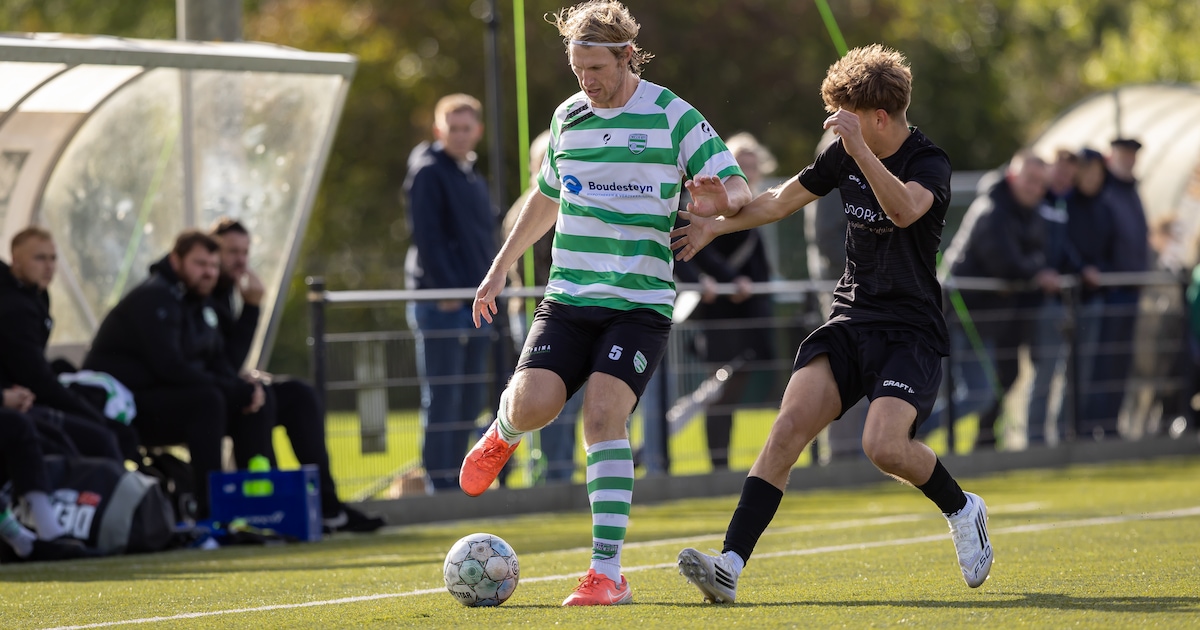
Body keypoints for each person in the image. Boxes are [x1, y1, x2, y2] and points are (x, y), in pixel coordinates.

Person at [671, 44, 992, 604]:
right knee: (787, 428)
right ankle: (729, 565)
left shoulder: (927, 162)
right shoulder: (844, 155)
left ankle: (962, 507)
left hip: (909, 329)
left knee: (885, 447)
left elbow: (903, 210)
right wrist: (713, 227)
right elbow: (776, 202)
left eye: (850, 118)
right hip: (850, 317)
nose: (838, 129)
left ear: (880, 118)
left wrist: (859, 151)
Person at [460, 0, 752, 606]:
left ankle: (606, 573)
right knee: (534, 403)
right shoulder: (569, 117)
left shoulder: (673, 115)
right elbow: (545, 200)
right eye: (577, 68)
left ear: (625, 57)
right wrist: (501, 264)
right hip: (568, 295)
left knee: (602, 418)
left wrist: (711, 204)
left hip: (639, 305)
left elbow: (740, 191)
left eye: (595, 68)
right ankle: (504, 430)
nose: (585, 80)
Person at [83, 230, 274, 519]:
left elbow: (219, 363)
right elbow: (169, 366)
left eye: (213, 265)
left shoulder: (197, 299)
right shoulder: (155, 297)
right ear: (176, 261)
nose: (208, 273)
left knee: (257, 398)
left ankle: (260, 507)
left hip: (163, 395)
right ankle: (209, 511)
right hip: (123, 406)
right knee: (208, 400)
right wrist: (230, 388)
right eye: (200, 264)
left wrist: (241, 385)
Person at [209, 218, 384, 532]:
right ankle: (272, 510)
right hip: (202, 395)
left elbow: (223, 358)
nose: (240, 260)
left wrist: (242, 374)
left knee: (298, 394)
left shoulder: (226, 292)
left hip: (222, 382)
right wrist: (252, 309)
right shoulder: (204, 293)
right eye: (231, 251)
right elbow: (207, 361)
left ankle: (329, 507)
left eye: (245, 252)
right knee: (259, 399)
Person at [404, 92, 498, 492]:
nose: (459, 135)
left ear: (477, 131)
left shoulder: (471, 175)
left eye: (466, 128)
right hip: (442, 302)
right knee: (442, 396)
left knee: (470, 397)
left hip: (474, 303)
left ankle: (460, 481)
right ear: (438, 130)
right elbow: (426, 235)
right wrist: (442, 290)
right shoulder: (428, 171)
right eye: (452, 128)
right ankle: (438, 483)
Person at [673, 132, 777, 470]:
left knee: (730, 393)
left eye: (751, 165)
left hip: (746, 317)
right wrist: (728, 282)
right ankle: (718, 465)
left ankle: (729, 464)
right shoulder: (711, 208)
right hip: (716, 316)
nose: (746, 170)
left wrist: (748, 285)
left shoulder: (758, 208)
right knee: (716, 394)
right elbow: (697, 252)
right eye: (740, 165)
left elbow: (760, 266)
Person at [944, 151, 1058, 449]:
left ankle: (907, 438)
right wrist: (1034, 270)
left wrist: (1029, 268)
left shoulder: (1028, 212)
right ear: (1012, 176)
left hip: (989, 318)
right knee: (965, 393)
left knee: (984, 390)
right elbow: (1008, 266)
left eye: (1041, 183)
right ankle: (901, 438)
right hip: (959, 314)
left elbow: (1037, 256)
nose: (1035, 188)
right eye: (1029, 179)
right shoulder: (993, 209)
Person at [0, 227, 132, 462]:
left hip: (26, 392)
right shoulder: (15, 308)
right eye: (39, 258)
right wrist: (90, 415)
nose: (49, 266)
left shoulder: (36, 294)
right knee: (102, 437)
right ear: (16, 260)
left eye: (53, 258)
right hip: (19, 399)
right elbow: (35, 377)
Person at [501, 130, 584, 484]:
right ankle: (555, 473)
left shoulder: (573, 202)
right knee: (547, 400)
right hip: (540, 314)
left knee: (569, 401)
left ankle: (561, 468)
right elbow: (530, 269)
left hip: (564, 314)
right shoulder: (529, 210)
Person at [1084, 137, 1149, 438]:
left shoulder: (1132, 192)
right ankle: (1093, 424)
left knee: (1120, 363)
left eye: (1132, 155)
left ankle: (1111, 424)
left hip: (1131, 289)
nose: (1129, 160)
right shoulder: (1105, 192)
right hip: (1110, 291)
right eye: (1124, 154)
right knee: (1101, 364)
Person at [1027, 149, 1083, 445]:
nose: (1063, 178)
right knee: (1043, 375)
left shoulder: (1063, 204)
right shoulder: (1037, 200)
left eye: (1068, 174)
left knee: (1059, 373)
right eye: (1059, 172)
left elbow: (1062, 251)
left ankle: (1057, 437)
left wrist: (1079, 269)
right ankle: (1034, 439)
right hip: (1037, 301)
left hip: (1057, 300)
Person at [1065, 148, 1117, 438]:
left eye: (1098, 172)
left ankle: (1084, 427)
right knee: (1069, 370)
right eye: (1088, 171)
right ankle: (1063, 429)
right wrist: (1082, 269)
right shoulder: (1066, 206)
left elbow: (1110, 249)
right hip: (1070, 299)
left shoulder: (1104, 208)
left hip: (1096, 299)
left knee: (1092, 368)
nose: (1093, 178)